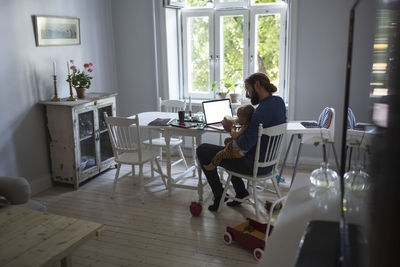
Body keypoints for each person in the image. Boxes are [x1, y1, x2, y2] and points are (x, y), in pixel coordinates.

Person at [196, 72, 286, 211]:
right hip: (269, 165)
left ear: (257, 85)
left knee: (202, 150)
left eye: (247, 89)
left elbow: (244, 144)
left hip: (252, 166)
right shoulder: (279, 103)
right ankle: (241, 192)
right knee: (228, 151)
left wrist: (230, 129)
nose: (247, 94)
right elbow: (255, 133)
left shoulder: (260, 112)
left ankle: (219, 194)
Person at [203, 104, 255, 171]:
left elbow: (235, 136)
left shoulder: (244, 127)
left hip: (237, 152)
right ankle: (227, 148)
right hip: (239, 148)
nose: (237, 119)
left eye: (238, 117)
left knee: (220, 154)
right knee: (227, 140)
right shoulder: (246, 125)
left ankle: (212, 165)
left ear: (244, 120)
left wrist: (232, 129)